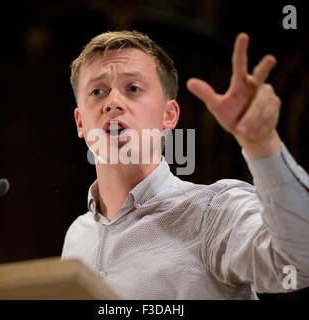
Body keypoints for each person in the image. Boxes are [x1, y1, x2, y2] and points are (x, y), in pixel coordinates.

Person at [61, 30, 309, 299]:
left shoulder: (213, 213)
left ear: (169, 115)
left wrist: (263, 144)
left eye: (133, 88)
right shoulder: (77, 236)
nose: (113, 103)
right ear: (80, 123)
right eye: (98, 91)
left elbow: (300, 261)